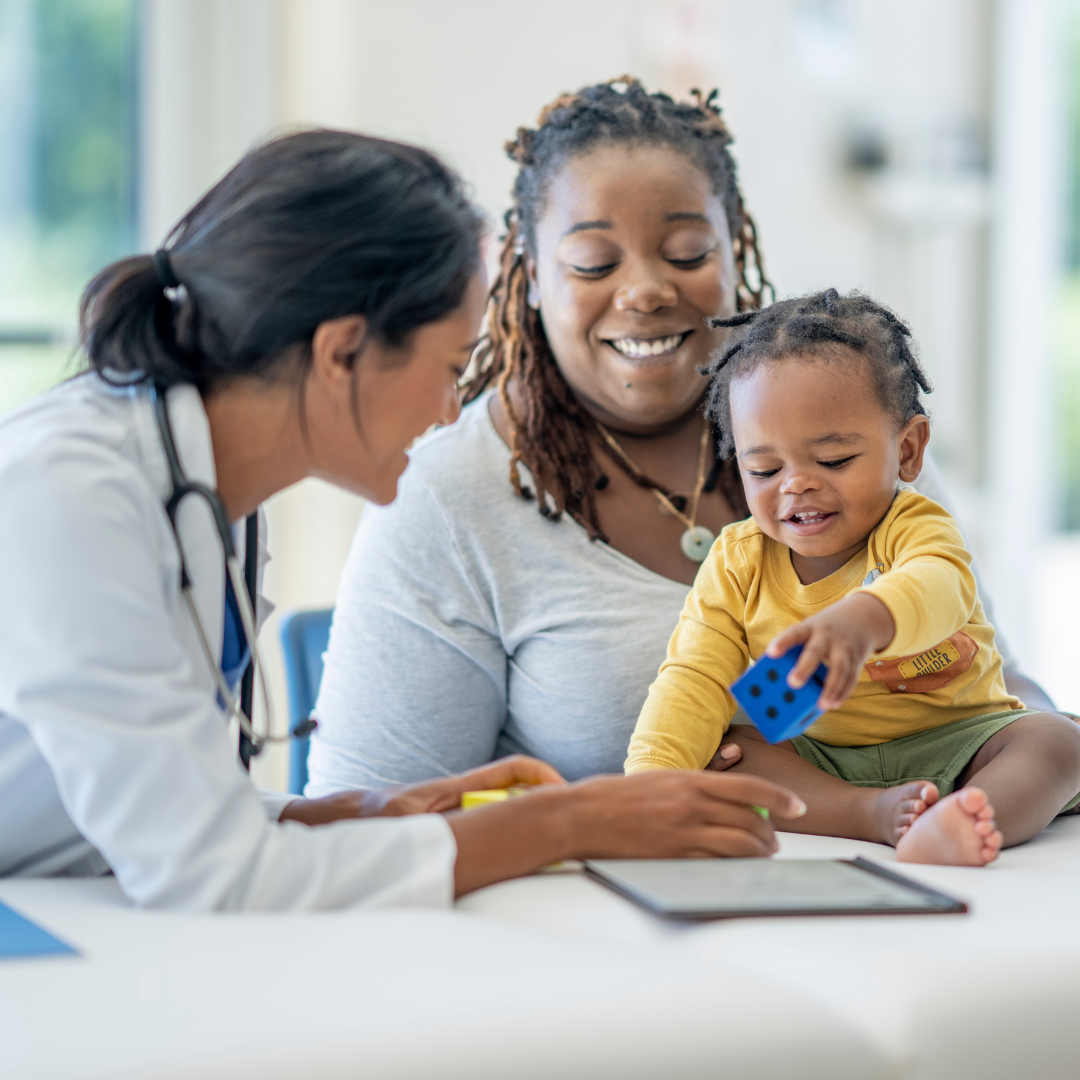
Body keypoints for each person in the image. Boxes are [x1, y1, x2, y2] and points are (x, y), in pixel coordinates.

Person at [0, 130, 804, 910]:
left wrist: (369, 815)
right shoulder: (67, 492)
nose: (453, 406)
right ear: (342, 352)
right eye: (452, 368)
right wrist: (570, 820)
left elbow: (166, 820)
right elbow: (214, 877)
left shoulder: (207, 498)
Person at [308, 78, 1063, 797]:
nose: (644, 290)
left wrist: (1025, 754)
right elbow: (373, 819)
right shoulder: (446, 499)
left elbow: (988, 675)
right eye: (593, 262)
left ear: (736, 252)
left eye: (687, 254)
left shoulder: (852, 417)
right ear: (530, 274)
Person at [625, 289, 1080, 866]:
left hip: (963, 744)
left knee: (1056, 741)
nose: (795, 485)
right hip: (826, 764)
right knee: (729, 750)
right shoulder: (738, 563)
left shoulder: (913, 526)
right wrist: (647, 787)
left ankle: (964, 818)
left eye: (834, 461)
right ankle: (870, 815)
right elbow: (692, 680)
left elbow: (939, 586)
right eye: (763, 467)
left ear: (908, 451)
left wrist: (866, 620)